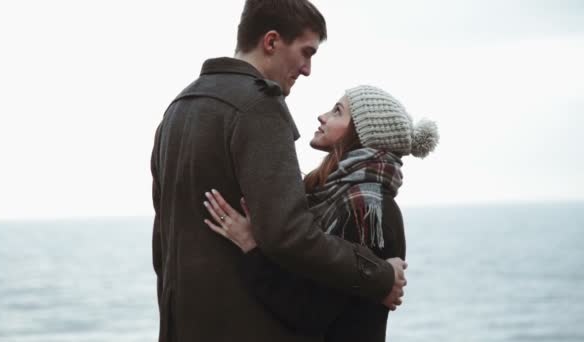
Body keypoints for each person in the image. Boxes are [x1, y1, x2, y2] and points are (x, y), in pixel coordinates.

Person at [150, 1, 407, 341]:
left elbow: (162, 244)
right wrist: (380, 277)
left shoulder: (177, 110)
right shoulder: (259, 107)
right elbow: (288, 233)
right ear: (271, 42)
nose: (307, 69)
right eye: (305, 52)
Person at [203, 85, 439, 341]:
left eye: (337, 112)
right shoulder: (335, 193)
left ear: (361, 133)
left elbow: (308, 312)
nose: (322, 116)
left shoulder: (366, 209)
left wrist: (251, 246)